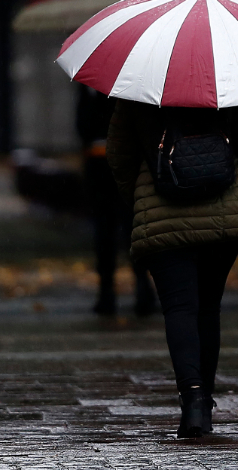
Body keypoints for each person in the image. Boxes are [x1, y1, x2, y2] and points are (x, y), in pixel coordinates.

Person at [106, 100, 238, 438]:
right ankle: (204, 402)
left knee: (180, 308)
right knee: (208, 309)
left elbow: (119, 157)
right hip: (225, 211)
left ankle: (193, 399)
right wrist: (225, 177)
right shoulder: (230, 83)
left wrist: (141, 196)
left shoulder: (138, 88)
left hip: (162, 212)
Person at [76, 85, 156, 316]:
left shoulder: (91, 85)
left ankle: (108, 292)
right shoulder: (132, 86)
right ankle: (140, 287)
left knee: (106, 229)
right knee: (132, 227)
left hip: (99, 165)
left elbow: (82, 126)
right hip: (125, 165)